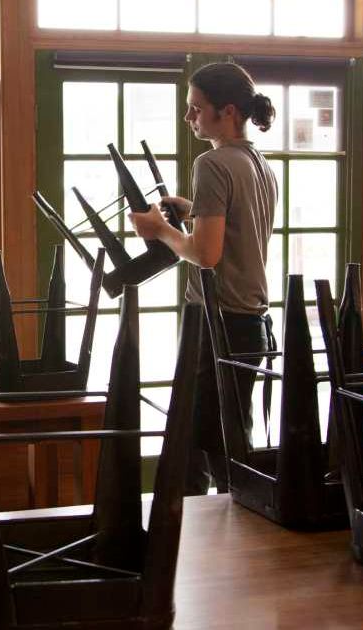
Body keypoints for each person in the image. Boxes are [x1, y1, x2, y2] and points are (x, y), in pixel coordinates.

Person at [129, 62, 278, 495]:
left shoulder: (211, 163)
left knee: (209, 444)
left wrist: (160, 229)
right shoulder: (259, 163)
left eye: (196, 108)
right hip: (250, 322)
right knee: (223, 436)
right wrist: (193, 210)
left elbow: (205, 254)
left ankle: (195, 527)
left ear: (227, 111)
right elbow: (238, 227)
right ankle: (221, 527)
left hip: (219, 322)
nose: (188, 117)